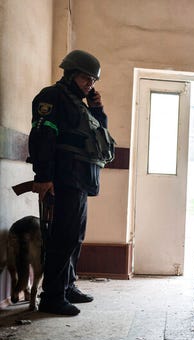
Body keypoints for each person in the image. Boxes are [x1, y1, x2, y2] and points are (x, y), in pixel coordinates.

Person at [28, 49, 115, 316]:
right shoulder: (52, 97)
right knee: (62, 238)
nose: (90, 85)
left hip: (78, 180)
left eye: (93, 81)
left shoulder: (80, 104)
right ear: (70, 74)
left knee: (75, 236)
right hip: (63, 179)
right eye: (86, 79)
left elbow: (100, 135)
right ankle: (52, 297)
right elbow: (43, 136)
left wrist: (97, 109)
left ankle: (67, 286)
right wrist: (43, 177)